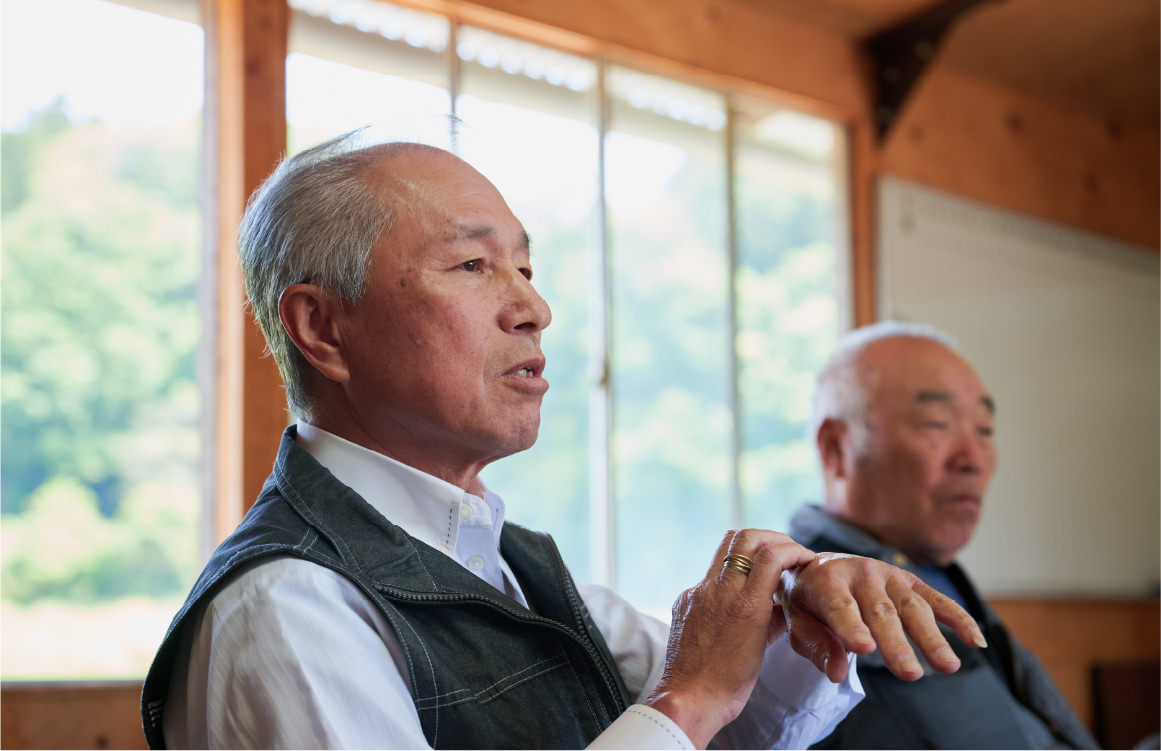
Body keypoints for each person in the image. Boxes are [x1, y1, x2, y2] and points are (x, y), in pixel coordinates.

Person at [140, 134, 986, 750]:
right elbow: (687, 712)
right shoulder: (287, 607)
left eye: (528, 269)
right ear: (321, 327)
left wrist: (796, 612)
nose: (532, 308)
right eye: (472, 267)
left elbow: (741, 729)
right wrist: (687, 697)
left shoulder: (510, 565)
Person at [790, 321, 1100, 749]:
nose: (973, 458)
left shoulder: (940, 577)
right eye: (936, 423)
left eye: (985, 430)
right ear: (836, 448)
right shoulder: (795, 606)